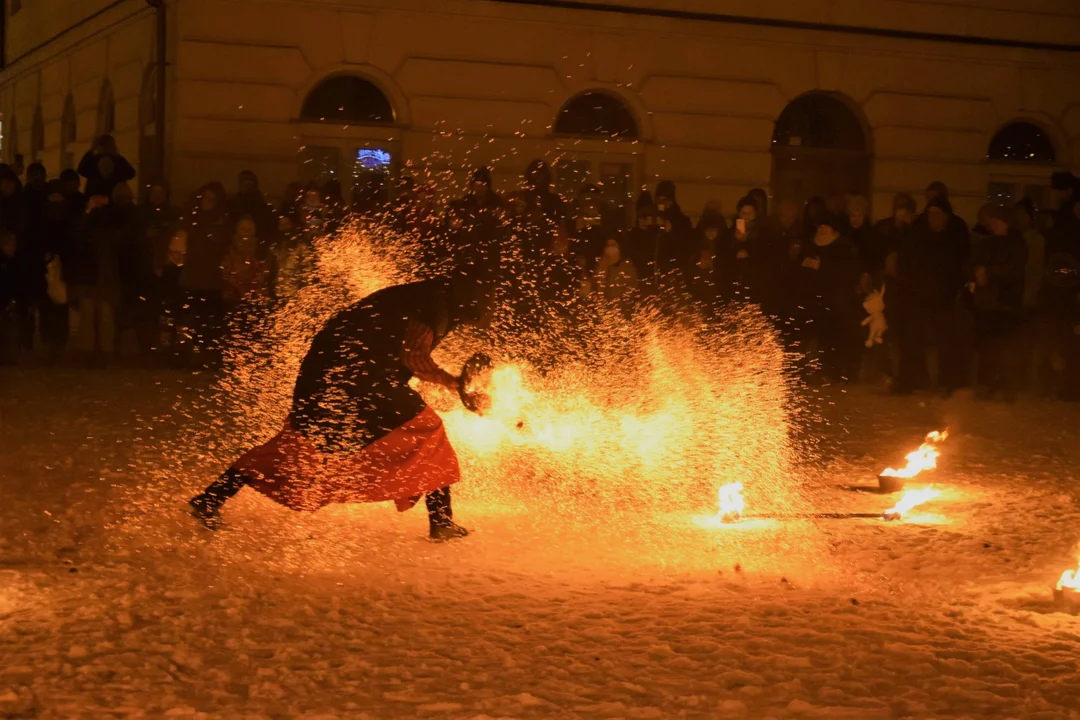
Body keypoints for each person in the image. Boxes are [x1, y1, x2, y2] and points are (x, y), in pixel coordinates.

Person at [188, 273, 491, 541]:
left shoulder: (418, 296)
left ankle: (210, 499)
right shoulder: (434, 308)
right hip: (359, 380)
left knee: (297, 446)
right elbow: (414, 358)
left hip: (324, 376)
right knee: (429, 428)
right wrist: (456, 385)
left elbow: (397, 352)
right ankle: (441, 522)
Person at [893, 196, 970, 395]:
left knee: (947, 341)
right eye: (930, 214)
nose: (933, 218)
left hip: (943, 296)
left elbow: (960, 263)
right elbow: (905, 261)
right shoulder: (917, 234)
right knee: (912, 339)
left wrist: (954, 287)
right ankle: (910, 379)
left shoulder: (954, 235)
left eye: (938, 214)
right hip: (916, 295)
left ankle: (951, 381)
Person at [966, 204, 1027, 400]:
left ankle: (1007, 385)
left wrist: (989, 273)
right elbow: (973, 262)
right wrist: (977, 272)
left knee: (1005, 347)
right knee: (987, 346)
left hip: (1007, 302)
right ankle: (987, 383)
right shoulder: (988, 243)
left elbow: (1013, 269)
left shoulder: (1017, 243)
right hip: (988, 303)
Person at [797, 213, 863, 382]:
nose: (821, 230)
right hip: (817, 301)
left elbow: (847, 273)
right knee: (822, 339)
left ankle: (841, 372)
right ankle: (823, 371)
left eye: (825, 227)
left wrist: (822, 267)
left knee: (838, 338)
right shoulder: (811, 245)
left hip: (839, 302)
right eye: (819, 227)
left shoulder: (844, 247)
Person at [66, 194, 122, 365]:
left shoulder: (111, 222)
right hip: (89, 274)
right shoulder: (84, 222)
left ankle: (103, 353)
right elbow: (75, 237)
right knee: (89, 312)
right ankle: (89, 353)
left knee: (102, 312)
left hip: (103, 274)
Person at [180, 182, 231, 361]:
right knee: (192, 319)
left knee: (210, 321)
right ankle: (191, 356)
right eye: (205, 198)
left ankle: (209, 356)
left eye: (212, 199)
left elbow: (221, 247)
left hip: (211, 281)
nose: (207, 202)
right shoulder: (191, 220)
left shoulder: (220, 223)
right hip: (192, 278)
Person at [716, 196, 763, 304]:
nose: (747, 217)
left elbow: (765, 253)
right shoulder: (730, 232)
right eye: (743, 213)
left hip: (755, 282)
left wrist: (748, 250)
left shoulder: (762, 231)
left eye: (750, 213)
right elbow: (722, 253)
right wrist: (736, 241)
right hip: (734, 281)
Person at [78, 135, 136, 199]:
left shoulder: (93, 160)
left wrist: (91, 150)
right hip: (113, 199)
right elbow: (131, 173)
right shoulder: (118, 160)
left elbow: (81, 169)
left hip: (95, 198)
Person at [229, 170, 276, 247]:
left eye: (249, 183)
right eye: (244, 183)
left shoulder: (265, 208)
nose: (247, 186)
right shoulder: (232, 205)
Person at [523, 159, 564, 225]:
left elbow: (558, 221)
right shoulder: (523, 198)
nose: (538, 178)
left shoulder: (555, 200)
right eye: (535, 174)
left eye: (540, 174)